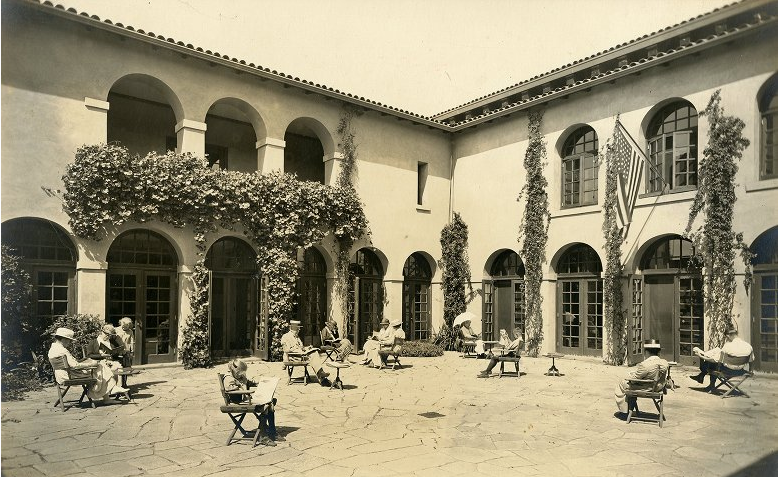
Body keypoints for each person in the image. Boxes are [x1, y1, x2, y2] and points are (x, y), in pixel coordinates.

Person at [47, 327, 128, 401]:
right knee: (99, 367)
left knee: (99, 368)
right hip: (70, 376)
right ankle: (110, 391)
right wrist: (91, 364)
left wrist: (85, 362)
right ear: (63, 339)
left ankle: (110, 392)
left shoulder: (53, 349)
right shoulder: (63, 350)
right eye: (69, 340)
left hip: (61, 375)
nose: (70, 343)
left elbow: (72, 364)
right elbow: (75, 365)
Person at [226, 359, 277, 446]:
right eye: (240, 373)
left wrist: (262, 382)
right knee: (266, 406)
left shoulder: (241, 377)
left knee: (271, 401)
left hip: (246, 400)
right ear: (235, 371)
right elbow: (229, 389)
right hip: (237, 402)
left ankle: (272, 431)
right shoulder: (229, 378)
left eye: (243, 373)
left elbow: (249, 382)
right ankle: (263, 436)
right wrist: (239, 387)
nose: (242, 375)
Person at [690, 326, 754, 391]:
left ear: (728, 336)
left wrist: (701, 356)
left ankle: (707, 381)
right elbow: (751, 360)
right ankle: (702, 377)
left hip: (727, 371)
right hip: (740, 371)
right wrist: (750, 370)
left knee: (710, 363)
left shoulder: (728, 346)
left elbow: (716, 360)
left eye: (726, 337)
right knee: (714, 360)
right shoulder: (748, 346)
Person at [614, 339, 669, 414]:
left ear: (647, 352)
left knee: (623, 383)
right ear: (658, 352)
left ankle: (624, 410)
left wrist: (630, 376)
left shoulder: (645, 364)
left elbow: (635, 379)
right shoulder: (664, 362)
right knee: (629, 383)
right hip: (659, 386)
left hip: (647, 388)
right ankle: (628, 407)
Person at [281, 320, 330, 386]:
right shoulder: (285, 337)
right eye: (297, 329)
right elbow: (286, 350)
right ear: (292, 329)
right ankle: (321, 376)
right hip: (293, 357)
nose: (299, 330)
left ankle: (321, 376)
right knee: (313, 356)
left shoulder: (297, 337)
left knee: (314, 353)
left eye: (298, 329)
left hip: (301, 356)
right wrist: (297, 350)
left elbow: (302, 348)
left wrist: (307, 348)